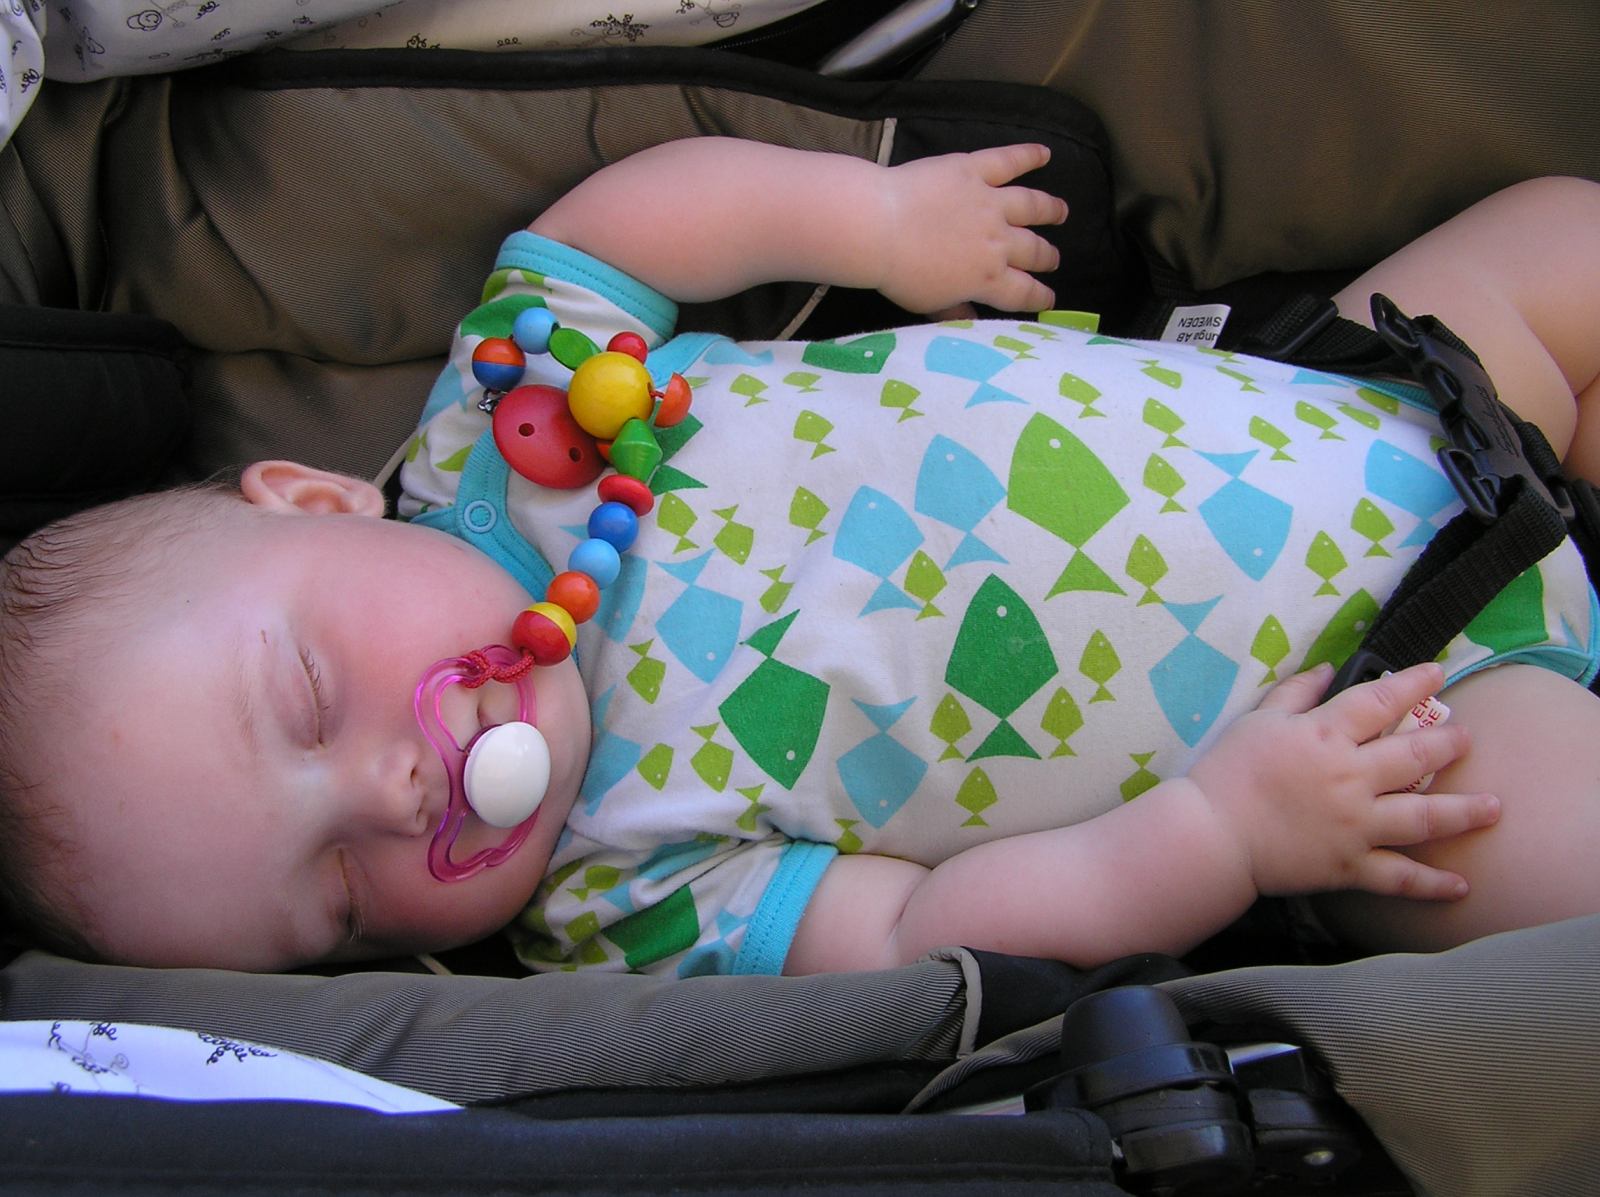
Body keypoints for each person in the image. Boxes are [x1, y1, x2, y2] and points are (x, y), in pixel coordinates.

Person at [3, 139, 1598, 977]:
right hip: (1380, 720)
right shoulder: (624, 896)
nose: (389, 792)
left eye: (304, 698)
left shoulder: (507, 415)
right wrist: (1228, 833)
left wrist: (876, 223)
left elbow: (615, 230)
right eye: (341, 899)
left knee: (1566, 234)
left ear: (312, 500)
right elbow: (929, 931)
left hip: (1375, 394)